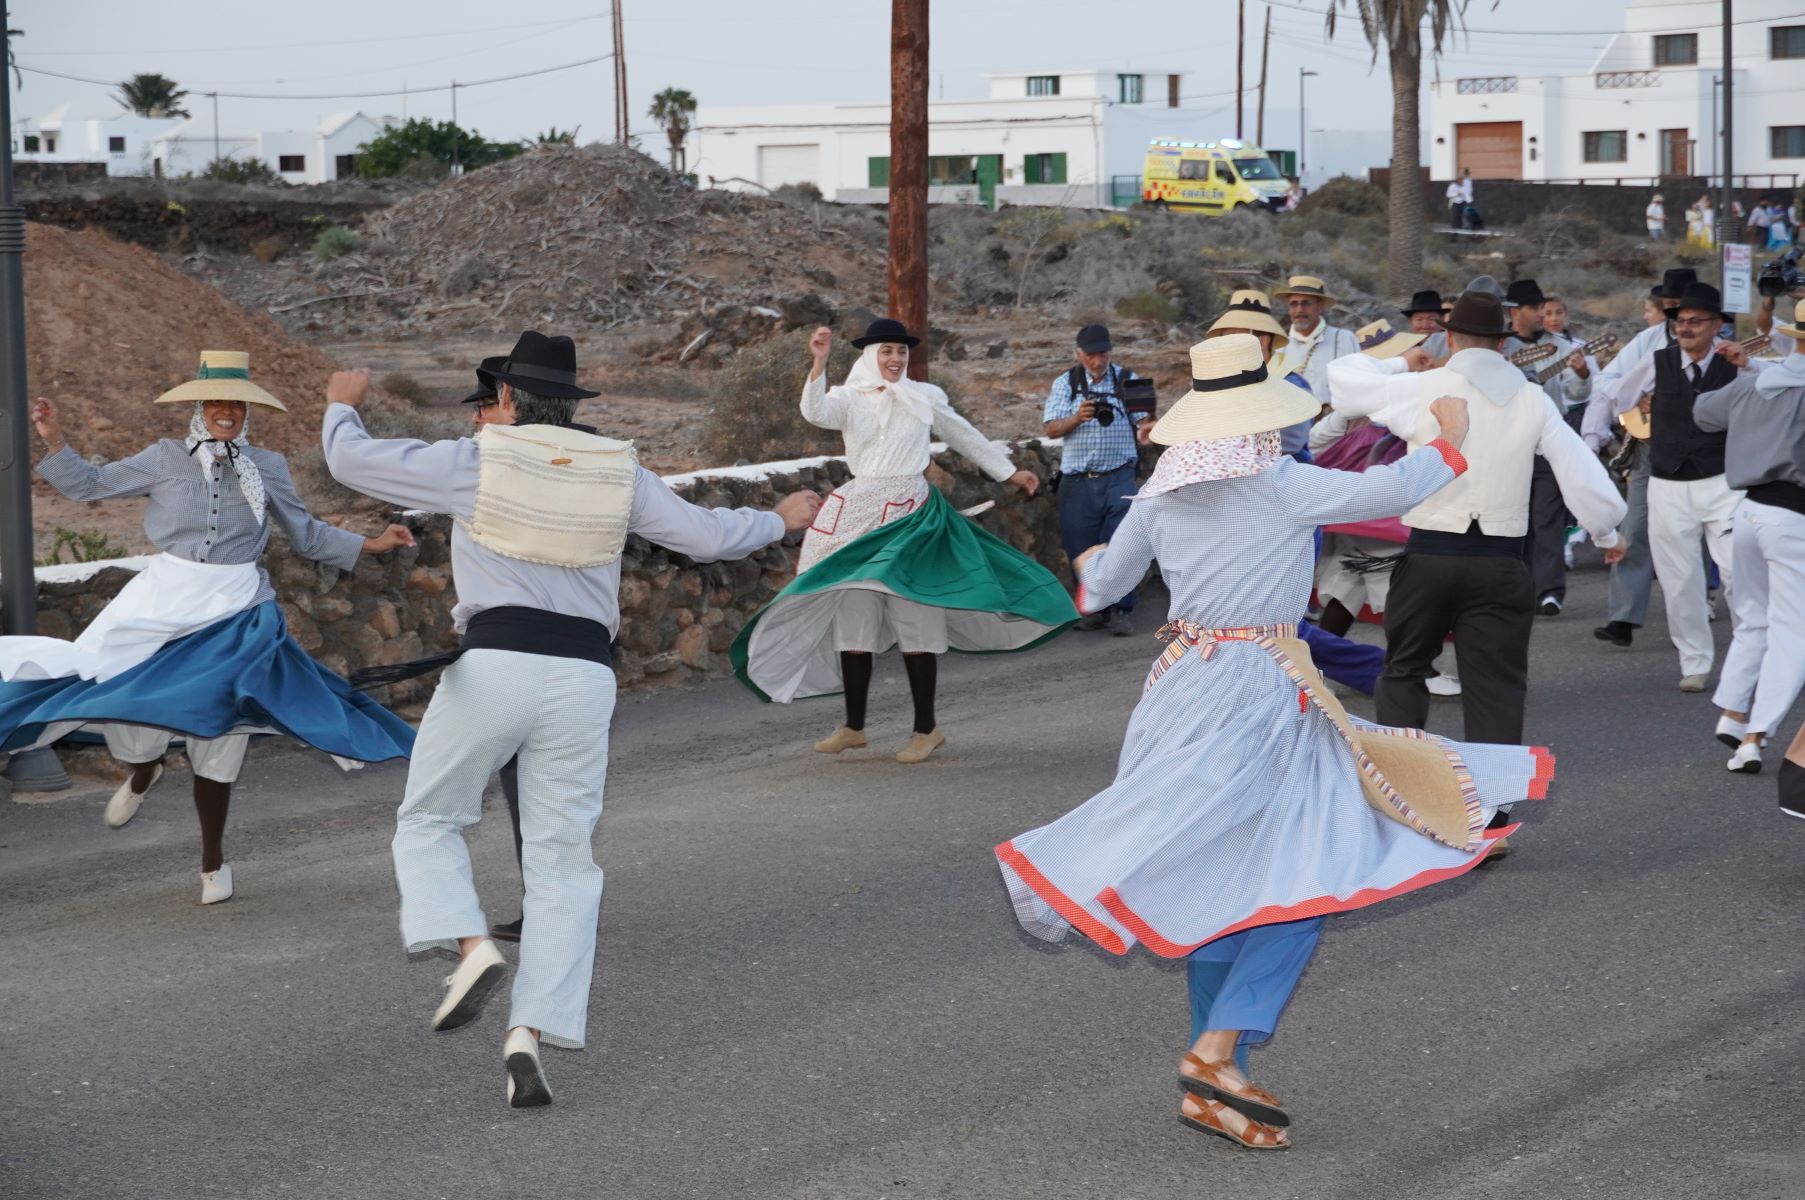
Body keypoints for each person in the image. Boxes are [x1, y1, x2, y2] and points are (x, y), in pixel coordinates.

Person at [995, 333, 1552, 1150]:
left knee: (1219, 867)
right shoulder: (1280, 483)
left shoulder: (1159, 494)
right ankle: (1217, 1050)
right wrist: (1447, 433)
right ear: (1259, 412)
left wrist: (1092, 561)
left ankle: (1216, 1064)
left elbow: (1102, 587)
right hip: (1259, 687)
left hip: (1181, 690)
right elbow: (1397, 486)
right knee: (1306, 861)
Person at [322, 330, 823, 1108]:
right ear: (569, 400)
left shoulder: (480, 457)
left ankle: (471, 944)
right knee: (563, 864)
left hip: (496, 664)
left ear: (511, 399)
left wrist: (339, 409)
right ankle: (529, 1033)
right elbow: (705, 536)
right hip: (585, 680)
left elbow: (350, 462)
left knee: (428, 821)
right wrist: (781, 520)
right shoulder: (616, 468)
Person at [0, 351, 417, 904]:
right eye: (217, 401)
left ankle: (212, 860)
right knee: (120, 696)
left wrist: (374, 543)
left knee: (220, 727)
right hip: (163, 600)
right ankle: (145, 771)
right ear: (200, 405)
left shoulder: (267, 466)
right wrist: (54, 438)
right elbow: (90, 486)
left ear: (247, 411)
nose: (227, 411)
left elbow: (308, 535)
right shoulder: (165, 457)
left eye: (237, 404)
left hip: (236, 606)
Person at [1328, 293, 1626, 801]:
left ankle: (1405, 797)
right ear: (1504, 341)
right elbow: (1579, 469)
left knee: (1403, 673)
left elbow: (1343, 382)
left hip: (1429, 556)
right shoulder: (1533, 398)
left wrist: (1404, 358)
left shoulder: (1421, 386)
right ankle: (1493, 815)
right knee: (1497, 690)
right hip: (1500, 561)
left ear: (1449, 336)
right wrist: (1606, 531)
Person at [730, 320, 1069, 764]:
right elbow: (815, 413)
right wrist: (818, 362)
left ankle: (926, 729)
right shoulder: (848, 399)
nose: (895, 359)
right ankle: (854, 726)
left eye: (902, 352)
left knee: (914, 613)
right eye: (887, 351)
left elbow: (962, 434)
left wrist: (1008, 471)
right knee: (854, 614)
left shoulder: (925, 397)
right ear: (871, 355)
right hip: (859, 513)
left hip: (911, 514)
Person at [1207, 291, 1394, 696]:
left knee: (1275, 616)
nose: (1245, 341)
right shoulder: (1221, 386)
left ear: (1268, 341)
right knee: (1265, 615)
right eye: (1236, 334)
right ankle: (1369, 670)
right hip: (1248, 511)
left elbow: (1288, 439)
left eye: (1254, 334)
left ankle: (1373, 669)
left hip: (1288, 507)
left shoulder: (1287, 381)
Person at [1601, 282, 1768, 690]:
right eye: (1681, 321)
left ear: (1716, 327)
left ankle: (1755, 659)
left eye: (1696, 321)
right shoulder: (1658, 361)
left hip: (1724, 481)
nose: (1686, 328)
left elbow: (1774, 392)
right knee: (1679, 579)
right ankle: (1694, 661)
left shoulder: (1737, 362)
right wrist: (1633, 409)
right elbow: (1614, 394)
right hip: (1668, 482)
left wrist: (1748, 365)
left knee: (1737, 573)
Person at [1695, 300, 1804, 772]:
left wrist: (1748, 379)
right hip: (1793, 519)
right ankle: (1754, 737)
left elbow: (1703, 412)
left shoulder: (1758, 382)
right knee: (1791, 631)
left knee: (1754, 618)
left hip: (1749, 511)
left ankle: (1733, 712)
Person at [1582, 269, 1698, 649]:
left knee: (1700, 532)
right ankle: (1623, 617)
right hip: (1651, 446)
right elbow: (1608, 383)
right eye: (1670, 306)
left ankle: (1704, 605)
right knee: (1634, 527)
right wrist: (1635, 399)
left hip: (1700, 449)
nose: (1674, 312)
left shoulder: (1718, 345)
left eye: (1681, 306)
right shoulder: (1648, 342)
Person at [1043, 324, 1153, 636]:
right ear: (1078, 354)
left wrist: (1148, 427)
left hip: (1118, 477)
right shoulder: (1066, 383)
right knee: (1081, 546)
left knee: (1121, 544)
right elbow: (1051, 429)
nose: (1098, 360)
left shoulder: (1127, 379)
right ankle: (1093, 609)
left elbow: (1146, 422)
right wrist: (1077, 417)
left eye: (1103, 353)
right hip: (1077, 481)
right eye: (1091, 354)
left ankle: (1121, 610)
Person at [1501, 279, 1592, 616]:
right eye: (1535, 308)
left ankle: (1550, 592)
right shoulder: (1500, 347)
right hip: (1509, 446)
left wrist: (1581, 374)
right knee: (1512, 519)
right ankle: (1517, 589)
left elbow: (1577, 395)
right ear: (1516, 312)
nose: (1542, 314)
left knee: (1547, 519)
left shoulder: (1561, 346)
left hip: (1546, 441)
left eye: (1545, 308)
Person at [1273, 275, 1359, 453]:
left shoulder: (1344, 339)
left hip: (1337, 437)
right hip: (1295, 440)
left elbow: (1358, 386)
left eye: (1306, 303)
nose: (1299, 309)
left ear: (1320, 306)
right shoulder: (1279, 347)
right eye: (1294, 304)